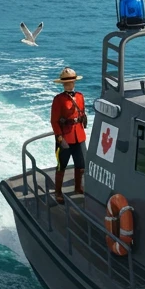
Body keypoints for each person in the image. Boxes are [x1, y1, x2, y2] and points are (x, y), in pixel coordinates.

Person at [50, 67, 87, 204]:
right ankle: (58, 192)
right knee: (62, 165)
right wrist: (59, 137)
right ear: (63, 84)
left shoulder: (80, 96)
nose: (70, 84)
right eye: (67, 82)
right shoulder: (58, 99)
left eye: (72, 81)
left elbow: (82, 113)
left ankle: (78, 187)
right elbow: (54, 121)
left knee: (81, 164)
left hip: (79, 135)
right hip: (65, 136)